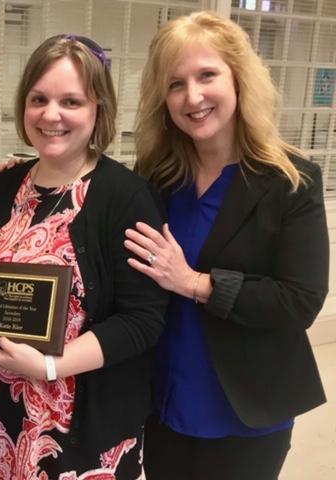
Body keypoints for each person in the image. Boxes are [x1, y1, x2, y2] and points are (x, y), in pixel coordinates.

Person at [0, 34, 168, 479]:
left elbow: (142, 321)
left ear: (97, 108)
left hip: (79, 429)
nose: (51, 115)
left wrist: (50, 364)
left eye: (71, 101)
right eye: (38, 99)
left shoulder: (126, 199)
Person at [124, 11, 329, 480]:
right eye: (175, 84)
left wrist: (195, 283)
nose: (192, 96)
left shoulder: (291, 181)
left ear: (239, 79)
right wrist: (34, 177)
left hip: (246, 409)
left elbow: (300, 301)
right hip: (164, 401)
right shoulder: (156, 180)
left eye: (207, 75)